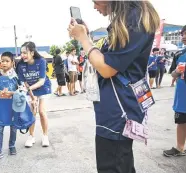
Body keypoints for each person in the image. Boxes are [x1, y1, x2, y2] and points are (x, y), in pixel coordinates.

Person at [68, 1, 160, 173]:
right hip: (116, 105)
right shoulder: (129, 18)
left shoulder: (135, 18)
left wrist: (83, 38)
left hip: (118, 109)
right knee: (119, 161)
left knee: (113, 164)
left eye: (95, 2)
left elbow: (106, 68)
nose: (95, 7)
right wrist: (86, 36)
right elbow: (110, 57)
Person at [16, 41, 51, 148]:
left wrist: (29, 91)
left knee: (41, 111)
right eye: (21, 53)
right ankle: (31, 137)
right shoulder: (21, 64)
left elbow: (41, 81)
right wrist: (32, 97)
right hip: (30, 90)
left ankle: (45, 136)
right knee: (32, 112)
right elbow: (25, 82)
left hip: (43, 88)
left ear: (32, 52)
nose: (22, 55)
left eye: (25, 53)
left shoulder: (41, 61)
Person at [0, 52, 20, 162]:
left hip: (12, 107)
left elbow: (20, 90)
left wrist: (11, 93)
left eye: (7, 61)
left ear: (12, 63)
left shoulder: (16, 75)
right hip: (0, 107)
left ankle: (12, 145)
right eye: (2, 61)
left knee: (13, 128)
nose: (4, 63)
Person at [163, 25, 186, 157]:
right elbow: (172, 73)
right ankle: (180, 148)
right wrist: (177, 72)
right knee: (181, 122)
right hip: (182, 97)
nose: (183, 36)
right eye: (182, 34)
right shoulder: (179, 54)